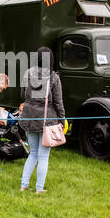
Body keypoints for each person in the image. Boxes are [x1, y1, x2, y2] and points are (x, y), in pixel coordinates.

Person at [19, 46, 65, 194]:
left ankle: (24, 185)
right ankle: (39, 189)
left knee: (33, 153)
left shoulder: (27, 73)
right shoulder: (53, 77)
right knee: (43, 156)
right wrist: (62, 119)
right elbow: (58, 102)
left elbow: (22, 95)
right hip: (47, 119)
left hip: (29, 117)